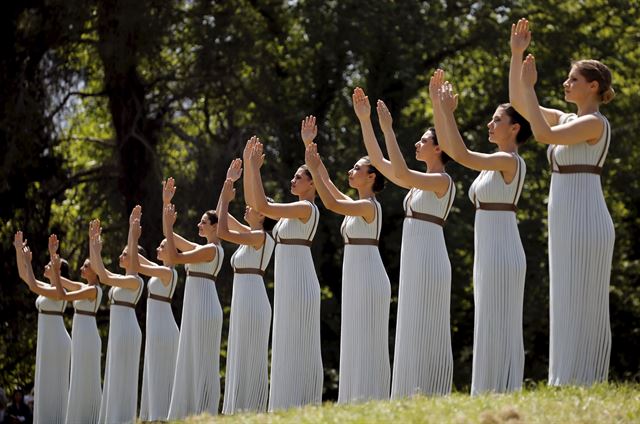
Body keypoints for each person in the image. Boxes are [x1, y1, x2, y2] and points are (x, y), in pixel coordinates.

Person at [509, 18, 615, 386]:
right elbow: (519, 106)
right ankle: (566, 376)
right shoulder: (570, 117)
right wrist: (516, 54)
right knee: (566, 293)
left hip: (586, 216)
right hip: (566, 215)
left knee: (583, 296)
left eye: (573, 79)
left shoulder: (594, 124)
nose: (566, 83)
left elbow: (542, 133)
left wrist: (530, 88)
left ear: (593, 86)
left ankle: (586, 375)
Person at [430, 69, 531, 395]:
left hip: (502, 249)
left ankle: (504, 387)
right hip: (489, 249)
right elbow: (448, 147)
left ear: (514, 128)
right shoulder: (499, 161)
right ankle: (490, 389)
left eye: (496, 120)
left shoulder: (509, 161)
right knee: (489, 319)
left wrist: (447, 113)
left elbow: (461, 155)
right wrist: (438, 107)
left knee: (500, 321)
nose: (490, 124)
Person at [353, 87, 455, 397]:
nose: (418, 143)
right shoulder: (419, 184)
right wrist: (366, 121)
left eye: (424, 140)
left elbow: (399, 171)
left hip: (429, 257)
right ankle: (412, 391)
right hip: (415, 258)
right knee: (412, 322)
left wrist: (388, 129)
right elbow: (383, 164)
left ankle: (432, 389)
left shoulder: (440, 181)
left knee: (427, 323)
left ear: (439, 149)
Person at [304, 121, 391, 403]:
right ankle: (355, 398)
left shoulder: (368, 206)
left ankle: (370, 397)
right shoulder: (356, 207)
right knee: (355, 333)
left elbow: (330, 203)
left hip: (368, 275)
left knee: (366, 336)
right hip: (356, 275)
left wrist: (314, 168)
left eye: (357, 169)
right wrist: (312, 156)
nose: (350, 172)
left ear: (371, 177)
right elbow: (328, 185)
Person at [246, 136, 322, 410]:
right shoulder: (293, 211)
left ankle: (303, 402)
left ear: (312, 183)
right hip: (289, 282)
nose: (292, 181)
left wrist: (254, 169)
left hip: (301, 283)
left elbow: (264, 207)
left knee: (298, 342)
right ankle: (286, 404)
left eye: (298, 177)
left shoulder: (304, 208)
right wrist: (249, 167)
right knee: (287, 341)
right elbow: (256, 204)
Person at [217, 154, 275, 414]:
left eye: (255, 207)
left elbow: (221, 232)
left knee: (251, 353)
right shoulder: (249, 234)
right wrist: (227, 184)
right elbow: (222, 219)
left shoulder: (260, 237)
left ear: (263, 216)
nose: (249, 206)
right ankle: (238, 407)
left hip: (253, 299)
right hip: (243, 299)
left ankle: (253, 406)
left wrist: (228, 200)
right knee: (240, 351)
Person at [164, 178, 224, 419]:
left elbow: (175, 258)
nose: (199, 224)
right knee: (191, 357)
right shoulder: (201, 248)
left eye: (203, 222)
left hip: (204, 308)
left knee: (203, 361)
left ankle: (206, 410)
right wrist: (165, 205)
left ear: (213, 226)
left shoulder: (210, 249)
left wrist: (168, 227)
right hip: (195, 307)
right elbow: (172, 239)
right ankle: (191, 411)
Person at [91, 207, 144, 423]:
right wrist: (93, 244)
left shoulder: (135, 280)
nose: (121, 256)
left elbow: (102, 276)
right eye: (122, 253)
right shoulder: (120, 278)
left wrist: (133, 233)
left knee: (122, 378)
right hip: (118, 331)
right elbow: (99, 271)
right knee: (114, 375)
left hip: (127, 332)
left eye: (126, 253)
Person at [13, 232, 70, 424]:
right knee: (45, 384)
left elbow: (33, 287)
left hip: (57, 341)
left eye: (51, 264)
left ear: (59, 271)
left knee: (54, 387)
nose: (46, 266)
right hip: (48, 340)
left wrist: (50, 254)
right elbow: (24, 276)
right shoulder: (48, 287)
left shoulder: (59, 291)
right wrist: (19, 250)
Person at [49, 245, 102, 424]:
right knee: (78, 375)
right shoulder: (82, 286)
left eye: (86, 266)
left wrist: (56, 270)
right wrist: (54, 264)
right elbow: (63, 283)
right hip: (80, 335)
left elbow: (64, 296)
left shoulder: (93, 290)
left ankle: (93, 417)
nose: (81, 268)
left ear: (95, 272)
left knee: (87, 376)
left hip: (88, 336)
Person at [138, 236, 179, 421]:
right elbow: (140, 261)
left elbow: (138, 265)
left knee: (162, 373)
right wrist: (133, 238)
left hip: (164, 329)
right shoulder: (161, 271)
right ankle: (156, 415)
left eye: (163, 246)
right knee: (155, 371)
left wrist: (133, 237)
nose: (158, 248)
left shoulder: (167, 272)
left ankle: (161, 416)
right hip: (157, 329)